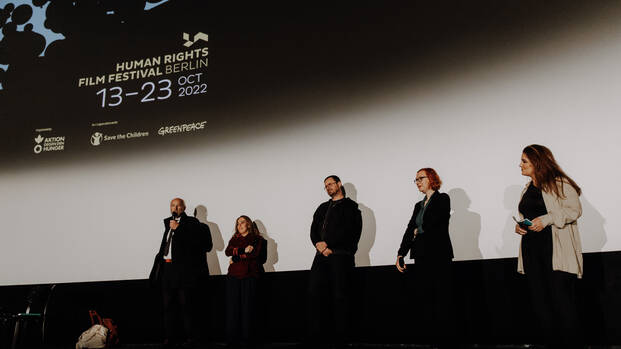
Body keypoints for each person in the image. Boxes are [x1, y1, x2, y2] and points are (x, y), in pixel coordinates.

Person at [515, 144, 583, 347]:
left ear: (537, 162)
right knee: (540, 304)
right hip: (532, 251)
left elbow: (574, 210)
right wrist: (521, 226)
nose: (519, 165)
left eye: (524, 161)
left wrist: (547, 219)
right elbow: (528, 215)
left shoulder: (559, 183)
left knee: (561, 303)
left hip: (555, 252)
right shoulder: (527, 188)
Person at [396, 168, 453, 343]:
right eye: (416, 180)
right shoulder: (418, 205)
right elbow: (409, 228)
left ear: (431, 179)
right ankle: (430, 336)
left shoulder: (443, 199)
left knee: (441, 296)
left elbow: (435, 221)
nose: (418, 182)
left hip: (439, 254)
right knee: (425, 296)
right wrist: (400, 254)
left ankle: (444, 337)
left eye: (421, 178)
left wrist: (418, 230)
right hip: (421, 254)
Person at [149, 198, 213, 348]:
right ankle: (170, 337)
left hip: (182, 271)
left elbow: (197, 244)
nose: (175, 207)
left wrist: (179, 229)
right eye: (172, 205)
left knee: (186, 305)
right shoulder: (167, 223)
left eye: (178, 205)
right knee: (168, 306)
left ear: (183, 208)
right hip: (167, 269)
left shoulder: (191, 223)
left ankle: (191, 337)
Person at [308, 175, 362, 347]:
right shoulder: (322, 207)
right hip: (321, 256)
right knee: (316, 294)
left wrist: (330, 245)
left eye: (331, 184)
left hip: (340, 256)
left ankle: (341, 338)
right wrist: (319, 245)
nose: (328, 187)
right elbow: (313, 230)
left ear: (339, 184)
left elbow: (352, 232)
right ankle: (320, 335)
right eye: (326, 186)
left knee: (340, 296)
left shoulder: (351, 207)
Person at [225, 215, 266, 348]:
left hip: (249, 275)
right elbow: (227, 251)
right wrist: (243, 251)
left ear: (248, 224)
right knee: (233, 308)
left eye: (242, 222)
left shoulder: (257, 239)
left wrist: (235, 258)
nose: (239, 225)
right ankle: (233, 339)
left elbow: (254, 254)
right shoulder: (234, 238)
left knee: (248, 308)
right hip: (233, 276)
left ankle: (247, 339)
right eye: (237, 223)